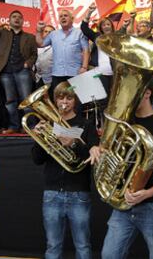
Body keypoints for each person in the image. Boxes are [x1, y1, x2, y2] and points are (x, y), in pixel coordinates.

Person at [89, 83, 153, 259]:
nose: (128, 98)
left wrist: (149, 192)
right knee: (109, 254)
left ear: (147, 93)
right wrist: (97, 149)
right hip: (124, 204)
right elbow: (109, 152)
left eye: (133, 93)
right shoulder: (123, 124)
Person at [31, 81, 99, 259]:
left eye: (69, 98)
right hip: (52, 193)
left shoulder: (86, 125)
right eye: (60, 97)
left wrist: (74, 143)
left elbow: (92, 157)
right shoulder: (48, 125)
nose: (64, 102)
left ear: (75, 100)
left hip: (79, 192)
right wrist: (38, 138)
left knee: (83, 246)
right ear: (54, 100)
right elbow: (37, 159)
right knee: (53, 246)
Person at [0, 3, 38, 134]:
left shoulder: (30, 37)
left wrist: (28, 64)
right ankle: (13, 126)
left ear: (23, 21)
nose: (17, 18)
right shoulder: (3, 33)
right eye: (14, 17)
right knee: (10, 101)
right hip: (5, 72)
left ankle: (30, 127)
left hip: (22, 71)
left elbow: (34, 54)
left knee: (27, 100)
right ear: (9, 20)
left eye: (19, 17)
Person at [36, 10, 89, 96]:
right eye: (61, 16)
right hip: (57, 74)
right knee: (59, 99)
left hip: (75, 73)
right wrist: (38, 31)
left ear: (72, 19)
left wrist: (84, 67)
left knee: (76, 99)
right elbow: (41, 44)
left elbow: (86, 50)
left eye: (65, 15)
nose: (63, 17)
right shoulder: (53, 34)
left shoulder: (79, 33)